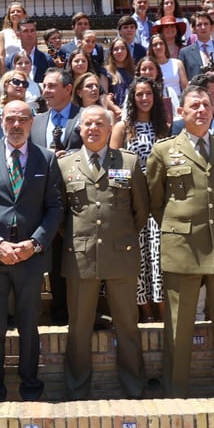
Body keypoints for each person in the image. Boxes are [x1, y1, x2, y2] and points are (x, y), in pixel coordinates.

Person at [147, 85, 214, 397]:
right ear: (181, 112)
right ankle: (175, 390)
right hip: (182, 247)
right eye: (194, 106)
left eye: (206, 104)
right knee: (179, 325)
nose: (201, 110)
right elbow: (155, 200)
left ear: (213, 109)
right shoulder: (163, 151)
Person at [0, 100, 63, 401]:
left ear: (32, 122)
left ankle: (31, 386)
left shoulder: (45, 159)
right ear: (1, 121)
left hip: (29, 259)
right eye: (11, 119)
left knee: (29, 327)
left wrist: (34, 244)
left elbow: (55, 207)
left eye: (23, 119)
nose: (17, 124)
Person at [58, 105, 149, 400]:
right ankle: (76, 388)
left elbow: (141, 210)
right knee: (79, 328)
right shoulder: (65, 165)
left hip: (120, 254)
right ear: (79, 130)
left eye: (99, 123)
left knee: (127, 327)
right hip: (80, 257)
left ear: (110, 129)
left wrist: (117, 236)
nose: (93, 128)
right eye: (88, 124)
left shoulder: (129, 162)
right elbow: (59, 215)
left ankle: (134, 386)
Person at [111, 76, 170, 322]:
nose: (144, 98)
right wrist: (130, 193)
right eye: (139, 94)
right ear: (132, 98)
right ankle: (143, 309)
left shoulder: (164, 127)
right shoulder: (123, 127)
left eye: (148, 94)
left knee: (158, 257)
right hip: (132, 203)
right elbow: (114, 167)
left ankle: (161, 308)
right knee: (138, 258)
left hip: (158, 202)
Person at [180, 11, 214, 79]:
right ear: (194, 28)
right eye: (199, 25)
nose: (203, 27)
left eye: (206, 24)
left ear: (211, 27)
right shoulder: (185, 53)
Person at [148, 33, 186, 109]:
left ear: (165, 45)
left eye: (161, 43)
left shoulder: (177, 63)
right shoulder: (150, 67)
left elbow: (185, 88)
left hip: (178, 102)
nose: (158, 47)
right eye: (155, 45)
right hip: (157, 103)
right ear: (151, 48)